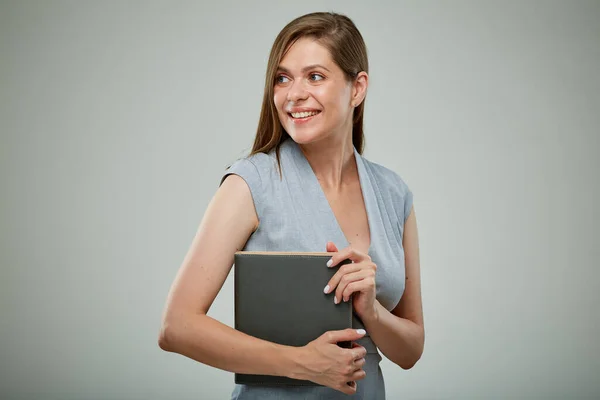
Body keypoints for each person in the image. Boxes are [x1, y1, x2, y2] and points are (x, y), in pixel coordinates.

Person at [158, 11, 424, 399]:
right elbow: (176, 327)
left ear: (357, 88)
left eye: (315, 76)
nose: (294, 94)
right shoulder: (252, 183)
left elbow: (411, 350)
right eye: (282, 78)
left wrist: (372, 311)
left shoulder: (393, 192)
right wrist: (301, 362)